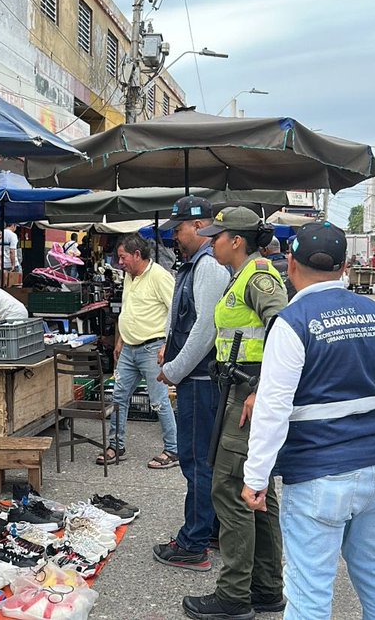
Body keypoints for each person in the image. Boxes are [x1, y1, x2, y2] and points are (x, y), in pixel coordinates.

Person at [240, 221, 375, 619]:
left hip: (319, 474)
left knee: (309, 589)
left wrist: (255, 477)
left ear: (291, 264)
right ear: (345, 265)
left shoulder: (293, 321)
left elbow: (273, 407)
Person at [182, 206, 286, 620]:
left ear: (236, 240)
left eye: (217, 236)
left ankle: (234, 597)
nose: (211, 241)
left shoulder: (258, 276)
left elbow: (283, 325)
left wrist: (261, 388)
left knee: (230, 487)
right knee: (258, 488)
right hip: (240, 387)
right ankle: (265, 588)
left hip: (249, 391)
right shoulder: (241, 276)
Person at [152, 197, 230, 571]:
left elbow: (206, 328)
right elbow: (188, 318)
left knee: (196, 461)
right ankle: (209, 529)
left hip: (200, 380)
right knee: (202, 460)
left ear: (198, 226)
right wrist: (169, 345)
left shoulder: (209, 266)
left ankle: (193, 541)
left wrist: (175, 368)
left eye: (179, 229)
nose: (175, 236)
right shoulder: (196, 265)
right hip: (195, 378)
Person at [98, 234, 178, 469]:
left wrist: (167, 344)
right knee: (119, 397)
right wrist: (120, 340)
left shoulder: (159, 277)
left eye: (122, 257)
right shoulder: (130, 275)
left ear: (136, 255)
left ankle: (172, 450)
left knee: (159, 402)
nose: (119, 262)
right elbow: (128, 310)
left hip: (153, 348)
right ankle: (115, 446)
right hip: (129, 349)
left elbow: (175, 311)